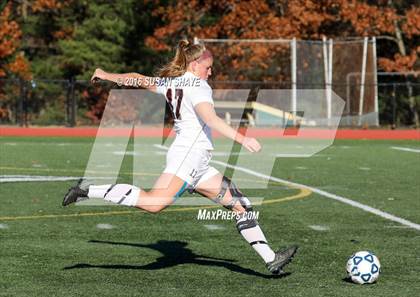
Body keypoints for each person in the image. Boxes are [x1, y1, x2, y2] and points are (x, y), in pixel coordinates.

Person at [62, 39, 297, 274]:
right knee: (153, 204)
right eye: (208, 67)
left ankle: (271, 259)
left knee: (240, 205)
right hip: (188, 158)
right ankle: (87, 190)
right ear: (194, 65)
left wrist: (106, 74)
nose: (211, 71)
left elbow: (139, 79)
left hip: (198, 163)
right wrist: (244, 139)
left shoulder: (172, 82)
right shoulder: (198, 86)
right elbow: (211, 119)